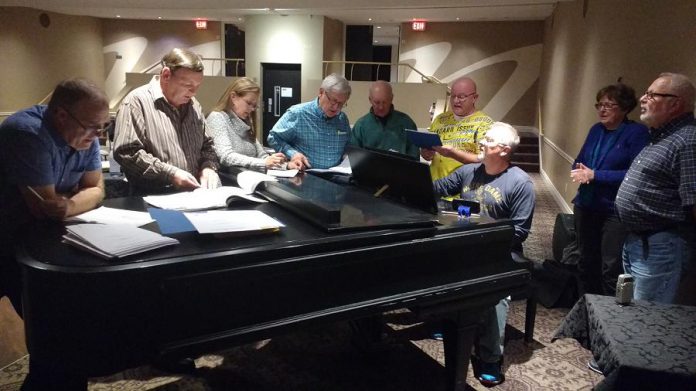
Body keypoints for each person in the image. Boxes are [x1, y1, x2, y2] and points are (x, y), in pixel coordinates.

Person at [0, 78, 109, 389]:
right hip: (10, 243)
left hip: (43, 245)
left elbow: (96, 189)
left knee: (60, 340)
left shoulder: (84, 134)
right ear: (62, 115)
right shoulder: (25, 132)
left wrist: (67, 204)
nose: (98, 135)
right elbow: (43, 208)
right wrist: (73, 202)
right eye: (92, 126)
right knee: (56, 335)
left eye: (102, 126)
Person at [433, 122, 535, 387]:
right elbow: (436, 189)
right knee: (430, 266)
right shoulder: (469, 171)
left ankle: (491, 357)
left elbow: (520, 231)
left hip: (500, 252)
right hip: (466, 244)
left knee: (495, 292)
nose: (481, 142)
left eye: (488, 140)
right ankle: (445, 320)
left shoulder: (520, 183)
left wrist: (485, 241)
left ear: (502, 150)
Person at [615, 72, 696, 304]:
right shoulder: (660, 136)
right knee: (633, 309)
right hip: (639, 241)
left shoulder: (688, 140)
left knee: (647, 317)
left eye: (652, 95)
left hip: (662, 247)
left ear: (675, 103)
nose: (642, 98)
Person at [570, 84, 649, 296]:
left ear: (624, 108)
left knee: (610, 267)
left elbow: (635, 173)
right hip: (586, 204)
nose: (602, 110)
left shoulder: (636, 133)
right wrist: (579, 171)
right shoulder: (596, 130)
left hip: (613, 210)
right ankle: (584, 309)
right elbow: (580, 160)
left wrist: (595, 175)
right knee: (585, 262)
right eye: (600, 105)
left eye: (610, 105)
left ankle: (607, 317)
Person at [113, 47, 220, 195]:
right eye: (188, 85)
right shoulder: (136, 102)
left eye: (197, 86)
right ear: (166, 75)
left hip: (194, 196)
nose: (194, 92)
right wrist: (170, 174)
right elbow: (127, 153)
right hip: (152, 197)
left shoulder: (194, 105)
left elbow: (208, 146)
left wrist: (208, 167)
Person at [267, 73, 351, 170]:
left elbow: (347, 146)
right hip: (306, 174)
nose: (336, 107)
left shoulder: (342, 119)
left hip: (336, 176)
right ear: (321, 92)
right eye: (333, 101)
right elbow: (273, 137)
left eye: (341, 104)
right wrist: (293, 154)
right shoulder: (298, 113)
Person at [422, 76, 494, 182]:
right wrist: (426, 153)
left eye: (461, 96)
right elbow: (428, 151)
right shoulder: (440, 119)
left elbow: (485, 161)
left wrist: (453, 153)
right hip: (435, 185)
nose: (456, 101)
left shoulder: (485, 123)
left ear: (474, 98)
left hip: (464, 189)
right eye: (453, 96)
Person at [206, 77, 287, 171]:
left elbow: (262, 156)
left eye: (254, 106)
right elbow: (226, 156)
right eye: (249, 103)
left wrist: (284, 165)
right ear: (233, 97)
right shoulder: (217, 117)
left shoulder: (246, 123)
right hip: (230, 180)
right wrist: (263, 162)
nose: (252, 109)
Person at [350, 80, 419, 159]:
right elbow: (354, 157)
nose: (381, 107)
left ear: (391, 98)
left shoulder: (406, 123)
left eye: (385, 102)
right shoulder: (361, 125)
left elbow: (414, 157)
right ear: (370, 100)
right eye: (377, 102)